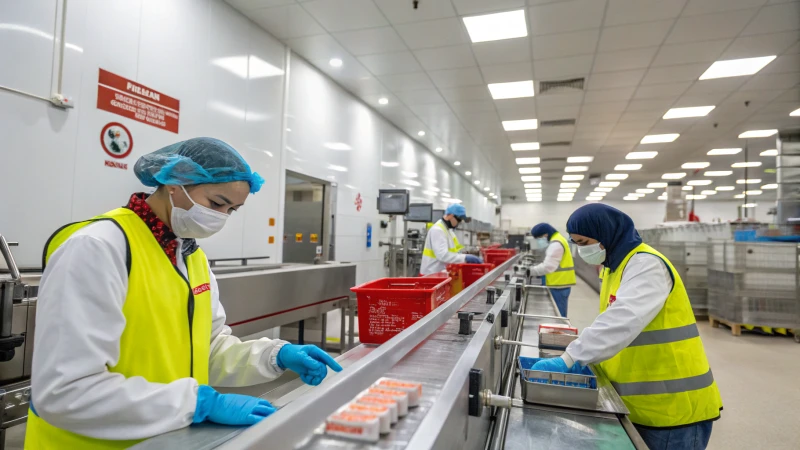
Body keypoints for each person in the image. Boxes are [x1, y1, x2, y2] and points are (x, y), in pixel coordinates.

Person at [26, 138, 342, 449]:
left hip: (168, 438)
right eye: (217, 203)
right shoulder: (98, 247)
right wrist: (197, 403)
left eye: (232, 210)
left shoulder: (191, 256)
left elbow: (207, 348)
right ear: (175, 182)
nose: (221, 216)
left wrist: (275, 355)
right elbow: (65, 390)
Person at [531, 204, 722, 450]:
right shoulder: (613, 266)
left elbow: (620, 321)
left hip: (672, 409)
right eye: (575, 242)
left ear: (606, 234)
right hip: (640, 404)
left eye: (584, 242)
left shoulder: (646, 265)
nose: (581, 250)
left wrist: (570, 358)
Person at [420, 204, 481, 275]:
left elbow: (453, 251)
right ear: (451, 216)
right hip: (431, 275)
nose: (459, 223)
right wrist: (465, 258)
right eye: (459, 220)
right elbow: (442, 255)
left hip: (441, 274)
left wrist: (464, 254)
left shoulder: (449, 230)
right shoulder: (438, 230)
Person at [529, 223, 575, 316]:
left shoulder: (556, 244)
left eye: (538, 238)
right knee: (559, 314)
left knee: (558, 316)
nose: (538, 241)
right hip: (559, 284)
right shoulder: (558, 239)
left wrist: (528, 271)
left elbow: (547, 266)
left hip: (559, 285)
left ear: (545, 234)